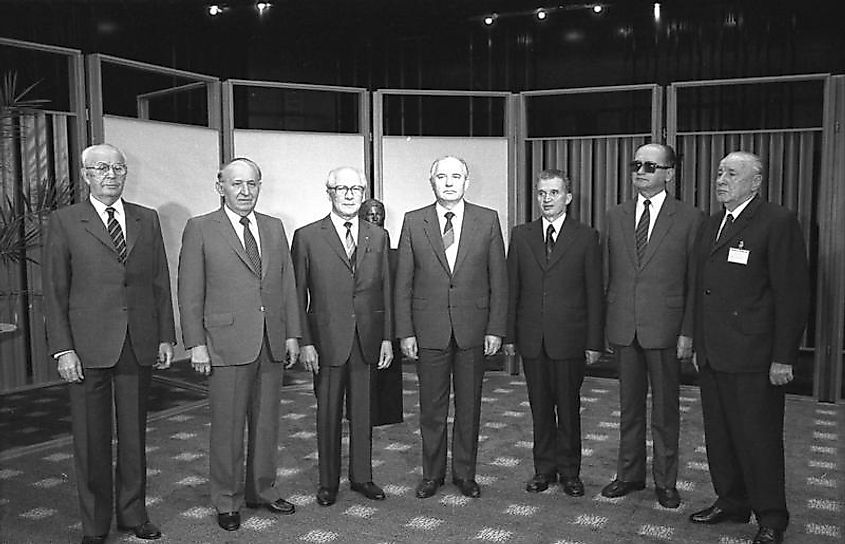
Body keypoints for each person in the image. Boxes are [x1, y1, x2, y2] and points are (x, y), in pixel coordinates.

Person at [44, 143, 175, 544]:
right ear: (85, 175)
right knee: (91, 441)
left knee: (134, 436)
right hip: (86, 349)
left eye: (118, 168)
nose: (111, 175)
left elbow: (158, 282)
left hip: (138, 343)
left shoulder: (146, 219)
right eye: (101, 168)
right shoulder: (65, 221)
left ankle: (133, 514)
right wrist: (63, 348)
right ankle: (95, 525)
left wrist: (166, 335)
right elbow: (54, 291)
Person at [689, 151, 809, 544]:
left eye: (732, 173)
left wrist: (783, 357)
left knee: (758, 438)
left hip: (756, 357)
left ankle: (772, 516)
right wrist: (696, 341)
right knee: (719, 435)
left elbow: (791, 294)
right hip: (714, 353)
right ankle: (732, 500)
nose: (721, 179)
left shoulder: (777, 221)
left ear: (756, 182)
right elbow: (700, 289)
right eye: (720, 171)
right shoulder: (711, 225)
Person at [177, 157, 301, 532]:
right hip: (224, 342)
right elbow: (189, 291)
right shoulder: (200, 228)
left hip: (270, 340)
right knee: (228, 427)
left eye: (252, 184)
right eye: (237, 184)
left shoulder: (274, 227)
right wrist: (196, 343)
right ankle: (226, 500)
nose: (245, 191)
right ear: (221, 187)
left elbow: (287, 285)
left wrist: (292, 333)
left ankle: (261, 490)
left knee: (267, 424)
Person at [394, 155, 508, 499]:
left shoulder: (487, 220)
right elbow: (403, 283)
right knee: (431, 407)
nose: (448, 182)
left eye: (455, 176)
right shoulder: (414, 221)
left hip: (474, 328)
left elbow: (499, 280)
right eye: (441, 176)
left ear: (466, 182)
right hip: (428, 330)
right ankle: (432, 475)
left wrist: (496, 328)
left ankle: (465, 474)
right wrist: (405, 332)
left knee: (470, 406)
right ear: (432, 182)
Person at [601, 143, 702, 509]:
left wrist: (688, 331)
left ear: (669, 173)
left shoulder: (690, 218)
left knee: (665, 410)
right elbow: (607, 275)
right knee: (627, 407)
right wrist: (605, 327)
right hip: (624, 327)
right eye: (636, 164)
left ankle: (666, 480)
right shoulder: (615, 215)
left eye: (650, 165)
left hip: (666, 328)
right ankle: (628, 475)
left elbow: (694, 282)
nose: (640, 171)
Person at [291, 168, 393, 507]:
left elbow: (386, 291)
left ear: (363, 192)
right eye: (341, 188)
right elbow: (297, 294)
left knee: (363, 413)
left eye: (356, 188)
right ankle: (328, 482)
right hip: (326, 341)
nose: (349, 194)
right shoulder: (306, 236)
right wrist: (305, 341)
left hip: (367, 338)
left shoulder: (377, 237)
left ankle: (362, 476)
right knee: (328, 414)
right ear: (329, 192)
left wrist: (387, 338)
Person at [503, 169, 603, 497]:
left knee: (569, 408)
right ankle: (543, 469)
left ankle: (570, 473)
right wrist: (510, 336)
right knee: (540, 407)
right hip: (532, 339)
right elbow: (512, 288)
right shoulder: (521, 235)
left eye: (554, 193)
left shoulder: (586, 236)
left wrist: (593, 341)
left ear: (568, 198)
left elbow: (594, 293)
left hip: (570, 339)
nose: (547, 199)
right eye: (542, 193)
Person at [359, 198, 404, 427]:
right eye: (369, 213)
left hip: (389, 319)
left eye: (378, 214)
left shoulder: (396, 254)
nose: (374, 217)